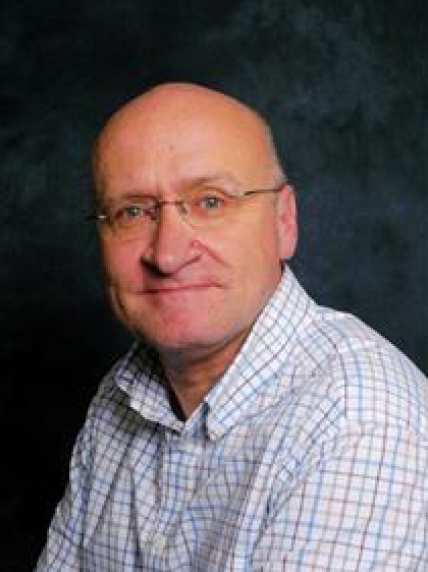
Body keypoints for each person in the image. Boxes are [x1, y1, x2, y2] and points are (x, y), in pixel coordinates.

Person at [36, 83, 427, 571]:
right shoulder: (120, 396)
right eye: (132, 211)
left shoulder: (360, 420)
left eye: (210, 202)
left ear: (284, 222)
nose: (167, 254)